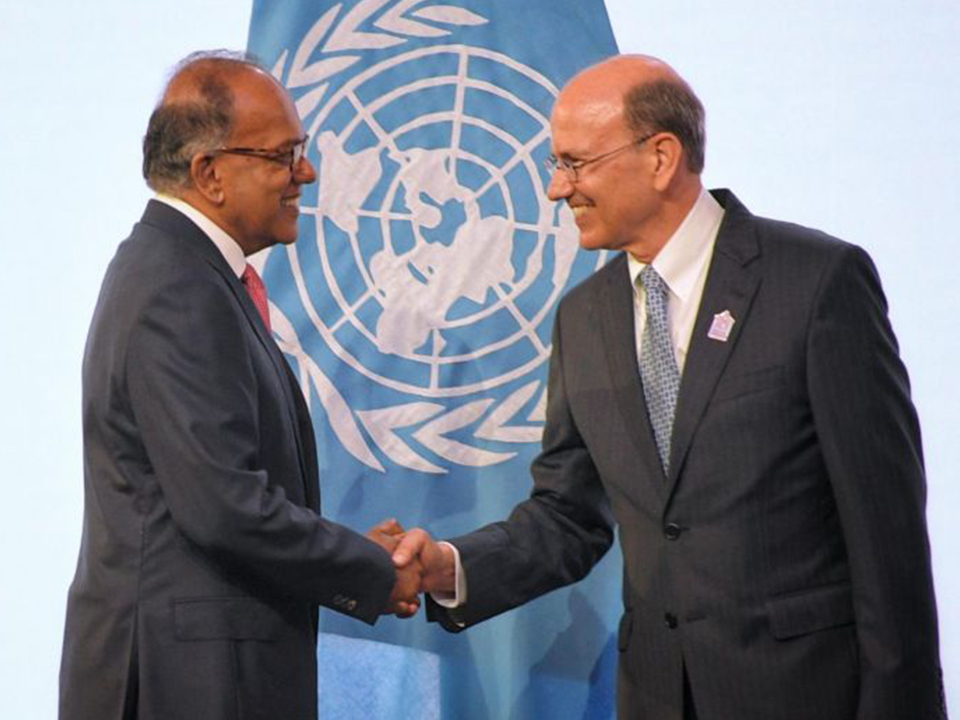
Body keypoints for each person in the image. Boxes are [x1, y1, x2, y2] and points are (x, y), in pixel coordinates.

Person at [393, 54, 947, 719]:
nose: (556, 190)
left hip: (805, 693)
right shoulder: (583, 318)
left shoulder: (816, 283)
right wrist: (452, 568)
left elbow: (886, 532)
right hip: (657, 697)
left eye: (575, 163)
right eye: (555, 166)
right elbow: (567, 515)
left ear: (660, 157)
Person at [59, 51, 420, 720]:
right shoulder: (179, 289)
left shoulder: (184, 274)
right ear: (210, 173)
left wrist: (352, 552)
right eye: (284, 156)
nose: (306, 173)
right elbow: (225, 508)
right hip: (190, 684)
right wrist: (370, 568)